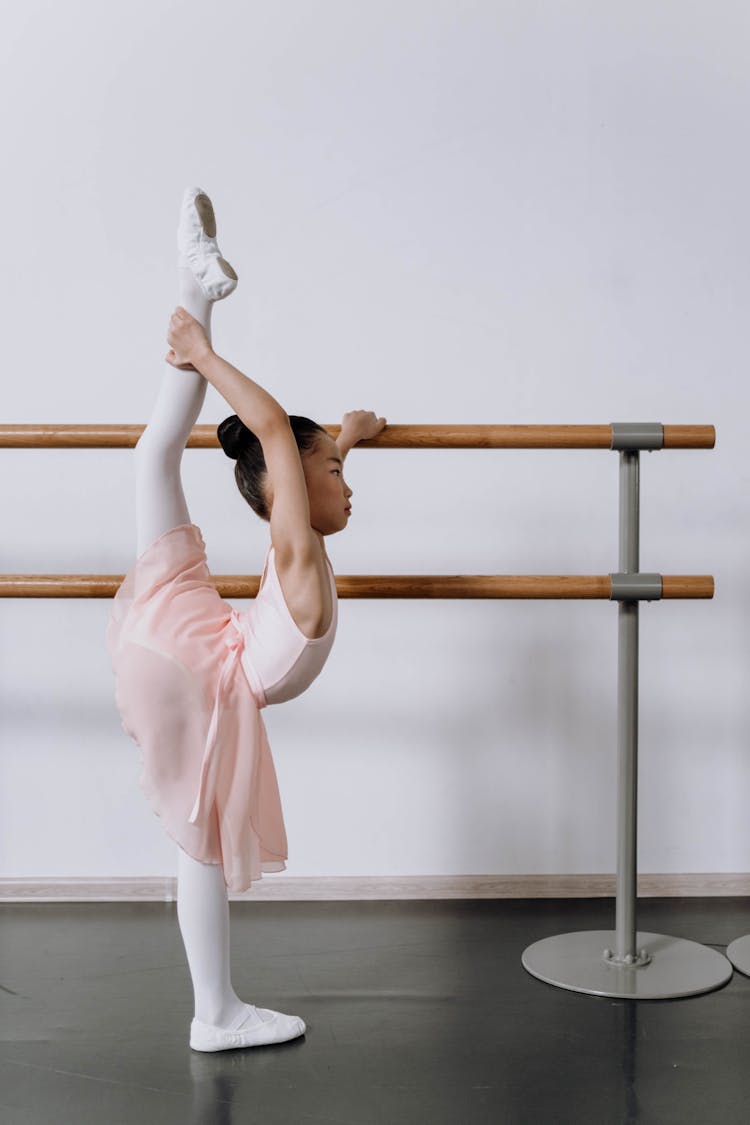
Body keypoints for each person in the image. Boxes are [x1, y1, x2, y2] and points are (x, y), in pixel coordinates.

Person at [106, 187, 386, 1052]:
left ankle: (194, 280)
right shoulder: (295, 552)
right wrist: (201, 354)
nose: (349, 479)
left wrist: (350, 430)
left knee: (154, 456)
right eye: (336, 467)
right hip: (204, 671)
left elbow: (293, 453)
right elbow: (273, 431)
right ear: (293, 490)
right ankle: (215, 1013)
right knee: (201, 843)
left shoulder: (291, 540)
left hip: (187, 637)